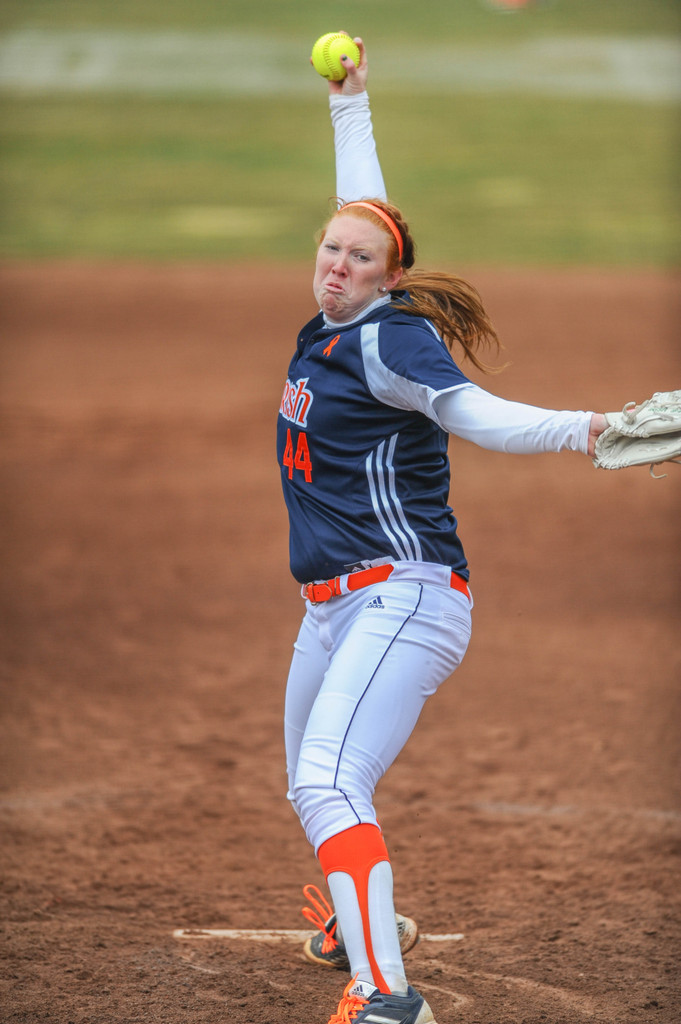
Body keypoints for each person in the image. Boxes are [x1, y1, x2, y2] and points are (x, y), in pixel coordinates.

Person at [278, 37, 608, 1024]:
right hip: (331, 606)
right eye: (330, 249)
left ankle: (386, 995)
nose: (338, 264)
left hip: (406, 593)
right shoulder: (337, 317)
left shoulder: (387, 343)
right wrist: (352, 107)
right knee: (312, 771)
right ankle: (353, 920)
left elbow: (481, 416)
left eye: (358, 258)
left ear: (388, 279)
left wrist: (582, 430)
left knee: (329, 780)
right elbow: (369, 209)